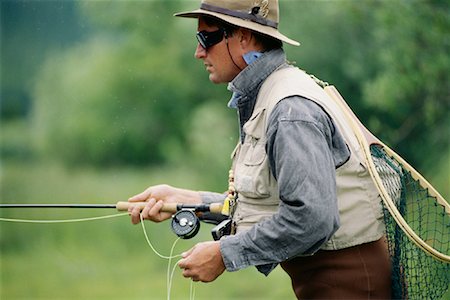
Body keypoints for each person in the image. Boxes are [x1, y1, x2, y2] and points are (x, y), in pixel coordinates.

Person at [128, 0, 392, 299]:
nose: (199, 52)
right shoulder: (275, 93)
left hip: (350, 285)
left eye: (207, 38)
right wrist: (188, 201)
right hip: (329, 282)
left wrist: (224, 254)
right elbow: (271, 204)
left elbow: (313, 218)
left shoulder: (291, 110)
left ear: (243, 36)